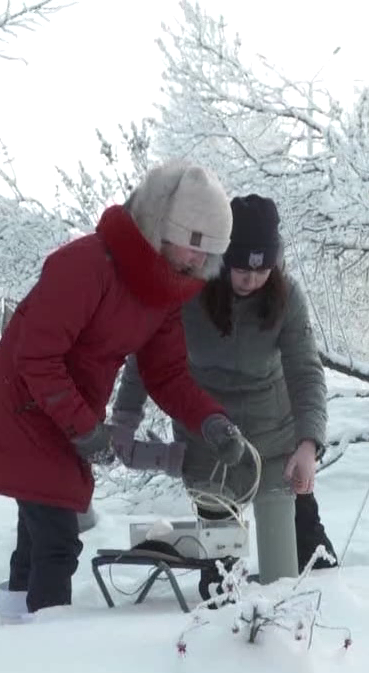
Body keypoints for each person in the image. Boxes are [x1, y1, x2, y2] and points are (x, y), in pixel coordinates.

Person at [0, 160, 251, 618]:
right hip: (25, 406)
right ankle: (43, 639)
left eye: (209, 253)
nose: (199, 261)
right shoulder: (84, 265)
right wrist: (85, 429)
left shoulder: (163, 291)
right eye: (194, 245)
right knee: (57, 540)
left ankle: (18, 638)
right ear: (161, 226)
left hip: (65, 414)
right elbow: (36, 357)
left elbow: (168, 376)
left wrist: (210, 420)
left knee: (39, 535)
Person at [110, 194, 339, 586]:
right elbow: (144, 362)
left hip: (275, 443)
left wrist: (308, 443)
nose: (252, 279)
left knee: (293, 572)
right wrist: (124, 421)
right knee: (219, 581)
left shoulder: (288, 299)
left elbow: (306, 372)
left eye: (263, 269)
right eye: (242, 270)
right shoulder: (187, 293)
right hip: (209, 442)